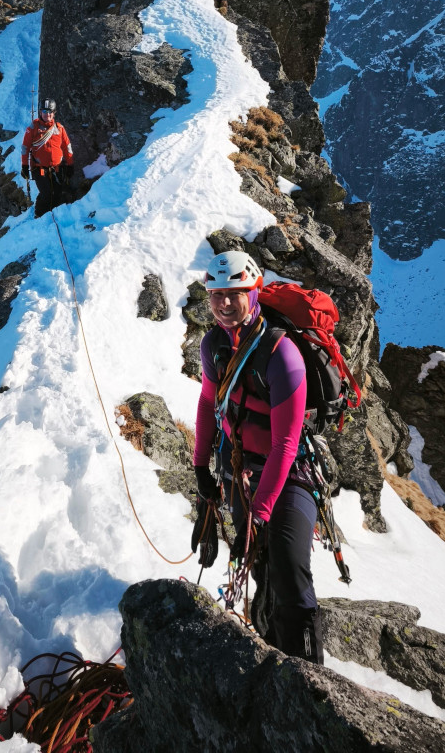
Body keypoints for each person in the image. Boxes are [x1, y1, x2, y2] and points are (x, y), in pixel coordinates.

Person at [191, 249, 324, 663]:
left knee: (288, 563)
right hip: (239, 472)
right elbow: (207, 404)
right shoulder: (214, 344)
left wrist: (261, 511)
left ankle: (308, 669)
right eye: (217, 294)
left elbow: (286, 444)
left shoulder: (281, 354)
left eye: (236, 293)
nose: (225, 303)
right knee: (258, 564)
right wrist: (200, 470)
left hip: (287, 476)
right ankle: (270, 648)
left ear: (255, 292)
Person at [21, 98, 75, 217]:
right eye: (45, 112)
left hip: (57, 168)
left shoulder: (59, 128)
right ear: (40, 112)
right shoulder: (33, 128)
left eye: (50, 112)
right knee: (47, 193)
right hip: (39, 168)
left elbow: (67, 147)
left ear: (54, 113)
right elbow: (25, 147)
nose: (47, 115)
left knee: (57, 193)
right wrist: (24, 165)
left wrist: (70, 164)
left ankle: (53, 216)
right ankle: (40, 215)